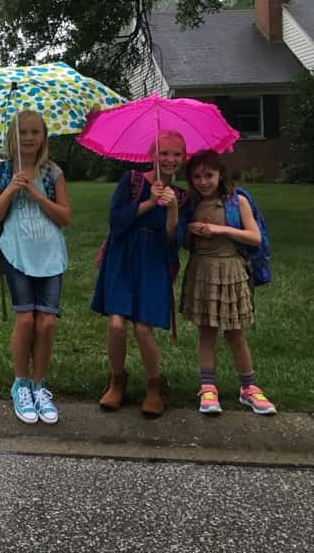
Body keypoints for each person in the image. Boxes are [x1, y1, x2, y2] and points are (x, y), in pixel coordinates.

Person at [0, 111, 71, 424]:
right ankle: (21, 385)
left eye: (36, 132)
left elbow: (65, 217)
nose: (30, 137)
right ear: (13, 137)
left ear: (44, 137)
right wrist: (11, 190)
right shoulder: (1, 172)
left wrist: (36, 194)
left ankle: (39, 385)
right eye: (23, 132)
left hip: (49, 253)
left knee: (46, 323)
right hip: (16, 252)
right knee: (25, 321)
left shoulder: (52, 172)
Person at [91, 130, 185, 418]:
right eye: (164, 153)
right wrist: (147, 202)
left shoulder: (181, 196)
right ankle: (116, 380)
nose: (169, 159)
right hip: (123, 256)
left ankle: (155, 386)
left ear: (183, 158)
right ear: (151, 155)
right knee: (117, 324)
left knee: (143, 328)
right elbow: (116, 221)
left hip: (153, 260)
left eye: (176, 154)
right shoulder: (131, 180)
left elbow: (174, 242)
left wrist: (171, 209)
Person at [180, 150, 277, 415]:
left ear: (221, 174)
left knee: (235, 332)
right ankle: (208, 386)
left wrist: (220, 230)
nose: (203, 181)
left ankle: (248, 387)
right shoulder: (190, 205)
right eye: (197, 176)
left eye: (209, 175)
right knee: (206, 331)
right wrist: (190, 229)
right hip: (202, 271)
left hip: (232, 270)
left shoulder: (237, 201)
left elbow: (254, 237)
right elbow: (182, 241)